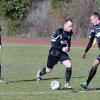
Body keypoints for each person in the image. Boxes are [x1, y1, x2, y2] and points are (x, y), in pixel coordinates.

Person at [36, 19, 73, 89]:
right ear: (65, 25)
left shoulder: (70, 32)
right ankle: (40, 73)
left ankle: (67, 83)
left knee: (69, 65)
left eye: (72, 26)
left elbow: (69, 39)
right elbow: (53, 43)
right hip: (54, 53)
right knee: (48, 70)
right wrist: (62, 48)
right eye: (70, 26)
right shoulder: (58, 32)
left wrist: (69, 47)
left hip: (62, 53)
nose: (71, 28)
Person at [80, 12, 100, 89]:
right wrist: (85, 52)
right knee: (94, 65)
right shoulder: (93, 29)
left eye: (91, 19)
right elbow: (91, 41)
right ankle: (86, 83)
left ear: (96, 18)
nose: (91, 21)